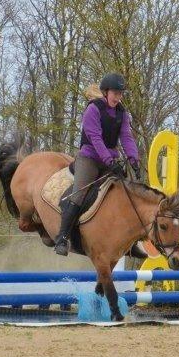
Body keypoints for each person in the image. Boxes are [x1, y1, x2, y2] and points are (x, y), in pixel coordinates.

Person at [53, 72, 141, 256]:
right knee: (80, 194)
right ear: (106, 92)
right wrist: (110, 161)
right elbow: (95, 138)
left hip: (109, 159)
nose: (118, 97)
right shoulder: (93, 110)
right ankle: (62, 238)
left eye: (120, 94)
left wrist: (134, 159)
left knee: (124, 193)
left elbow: (126, 137)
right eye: (115, 93)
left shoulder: (122, 113)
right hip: (89, 158)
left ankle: (129, 242)